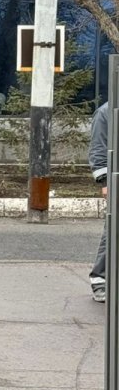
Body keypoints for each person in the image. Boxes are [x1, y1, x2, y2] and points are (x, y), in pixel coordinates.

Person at [89, 101, 109, 303]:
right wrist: (105, 182)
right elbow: (98, 150)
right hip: (116, 179)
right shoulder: (105, 113)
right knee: (113, 231)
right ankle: (99, 279)